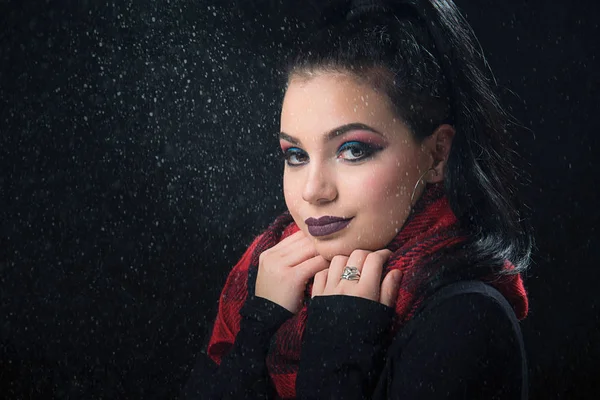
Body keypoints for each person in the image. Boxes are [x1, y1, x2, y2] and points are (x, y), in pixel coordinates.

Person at [183, 0, 533, 398]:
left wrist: (338, 352)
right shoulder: (264, 282)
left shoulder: (466, 318)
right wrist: (258, 327)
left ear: (436, 155)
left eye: (353, 150)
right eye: (295, 155)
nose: (314, 190)